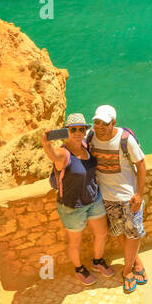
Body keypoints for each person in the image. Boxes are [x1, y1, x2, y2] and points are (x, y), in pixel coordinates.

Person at [41, 113, 114, 285]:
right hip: (73, 207)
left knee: (102, 233)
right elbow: (51, 153)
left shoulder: (86, 145)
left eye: (81, 129)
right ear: (66, 131)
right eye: (73, 129)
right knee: (75, 242)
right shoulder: (63, 154)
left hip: (94, 199)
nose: (78, 133)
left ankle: (97, 262)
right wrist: (46, 143)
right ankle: (79, 268)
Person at [88, 104, 149, 294]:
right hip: (106, 197)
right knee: (119, 232)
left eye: (104, 123)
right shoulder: (89, 136)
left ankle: (127, 271)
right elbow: (73, 144)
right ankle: (137, 262)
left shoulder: (125, 139)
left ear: (113, 123)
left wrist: (139, 194)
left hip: (128, 197)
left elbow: (141, 165)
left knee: (134, 234)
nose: (99, 126)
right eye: (96, 122)